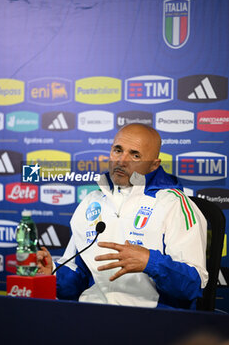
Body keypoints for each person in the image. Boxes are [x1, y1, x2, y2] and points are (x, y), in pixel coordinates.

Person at [37, 123, 208, 309]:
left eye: (135, 155)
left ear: (153, 165)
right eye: (118, 150)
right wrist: (53, 275)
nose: (122, 160)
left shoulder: (174, 204)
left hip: (153, 325)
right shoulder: (91, 202)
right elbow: (77, 279)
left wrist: (151, 262)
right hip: (91, 317)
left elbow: (194, 284)